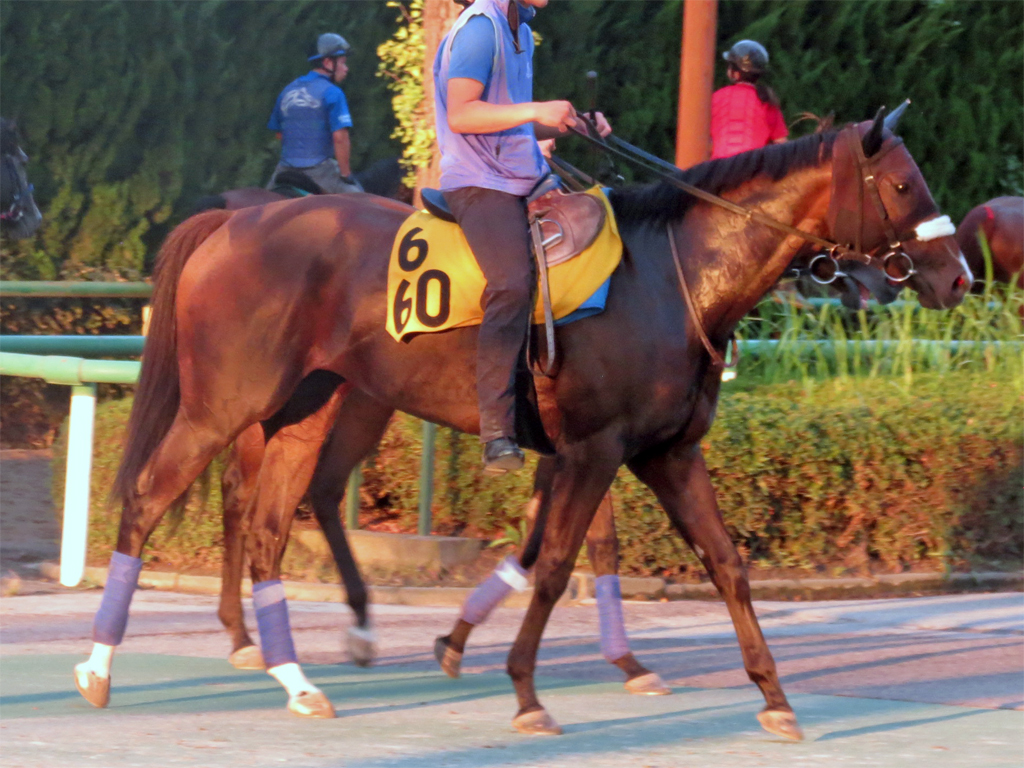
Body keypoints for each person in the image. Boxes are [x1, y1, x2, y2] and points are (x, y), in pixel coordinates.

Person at [434, 0, 610, 473]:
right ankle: (497, 432)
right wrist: (537, 109)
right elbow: (463, 114)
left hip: (522, 175)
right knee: (511, 284)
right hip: (477, 183)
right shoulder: (479, 29)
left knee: (602, 224)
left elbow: (508, 122)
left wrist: (572, 124)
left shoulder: (521, 31)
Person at [266, 33, 363, 194]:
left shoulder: (288, 90)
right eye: (342, 62)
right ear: (327, 62)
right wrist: (346, 174)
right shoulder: (333, 93)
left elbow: (280, 134)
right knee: (363, 202)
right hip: (319, 171)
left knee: (261, 208)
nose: (346, 68)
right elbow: (340, 138)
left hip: (283, 169)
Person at [710, 39, 787, 160]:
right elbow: (781, 143)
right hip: (754, 171)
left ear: (735, 74)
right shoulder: (766, 99)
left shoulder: (716, 97)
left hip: (718, 169)